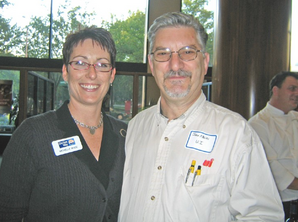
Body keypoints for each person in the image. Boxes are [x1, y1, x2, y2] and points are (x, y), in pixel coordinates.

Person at [118, 12, 284, 221]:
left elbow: (264, 215)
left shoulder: (234, 133)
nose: (175, 65)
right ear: (152, 64)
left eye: (187, 52)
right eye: (163, 53)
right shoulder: (135, 127)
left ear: (204, 62)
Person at [0, 26, 127, 222]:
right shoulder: (32, 134)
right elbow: (6, 212)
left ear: (112, 75)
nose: (91, 74)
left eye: (102, 64)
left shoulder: (126, 135)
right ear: (65, 71)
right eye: (80, 63)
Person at [248, 71, 298, 220]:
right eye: (292, 88)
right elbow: (271, 168)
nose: (297, 93)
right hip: (281, 201)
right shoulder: (258, 123)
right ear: (276, 90)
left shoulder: (296, 118)